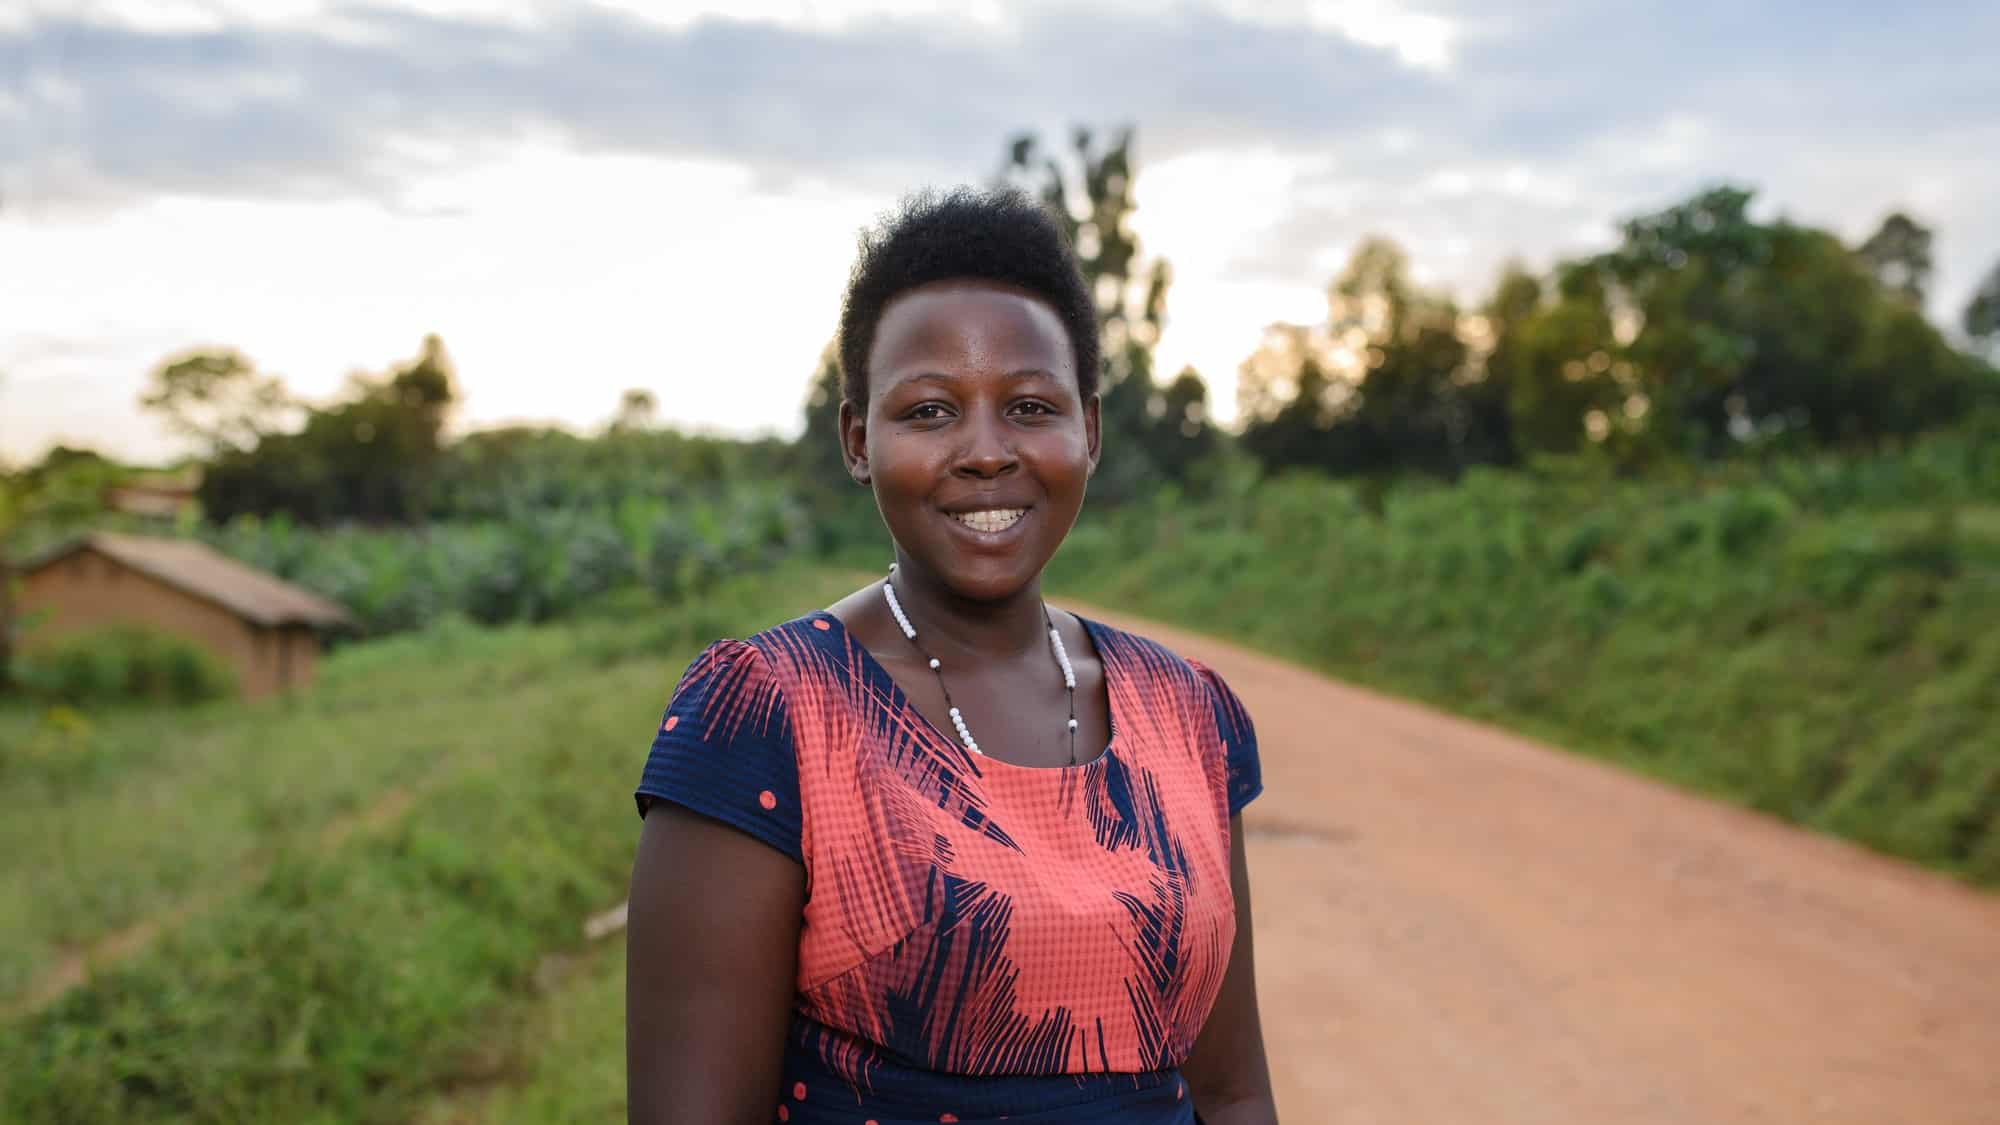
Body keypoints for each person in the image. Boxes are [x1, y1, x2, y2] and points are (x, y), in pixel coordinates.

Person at [626, 188, 1278, 1125]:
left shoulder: (1188, 716)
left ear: (1088, 429)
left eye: (1028, 405)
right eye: (930, 411)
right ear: (859, 441)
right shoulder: (770, 715)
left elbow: (1233, 1092)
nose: (984, 451)